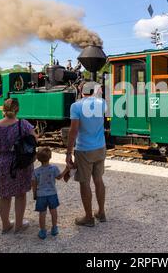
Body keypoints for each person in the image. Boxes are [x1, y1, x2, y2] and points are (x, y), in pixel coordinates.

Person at [0, 98, 37, 234]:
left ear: (3, 110)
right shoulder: (24, 124)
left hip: (2, 162)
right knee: (20, 194)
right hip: (20, 162)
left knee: (4, 195)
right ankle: (19, 225)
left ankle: (5, 225)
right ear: (17, 109)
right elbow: (34, 140)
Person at [66, 82, 107, 227]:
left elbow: (73, 131)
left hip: (84, 149)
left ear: (80, 90)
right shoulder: (102, 103)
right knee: (98, 180)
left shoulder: (76, 106)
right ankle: (101, 212)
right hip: (100, 147)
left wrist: (68, 152)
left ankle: (89, 217)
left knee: (85, 182)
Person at [32, 147, 69, 240]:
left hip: (41, 195)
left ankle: (43, 231)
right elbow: (59, 177)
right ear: (50, 157)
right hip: (52, 194)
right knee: (53, 212)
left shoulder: (36, 171)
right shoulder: (54, 168)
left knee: (42, 213)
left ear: (38, 158)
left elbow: (34, 184)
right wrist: (66, 169)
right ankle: (54, 228)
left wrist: (34, 194)